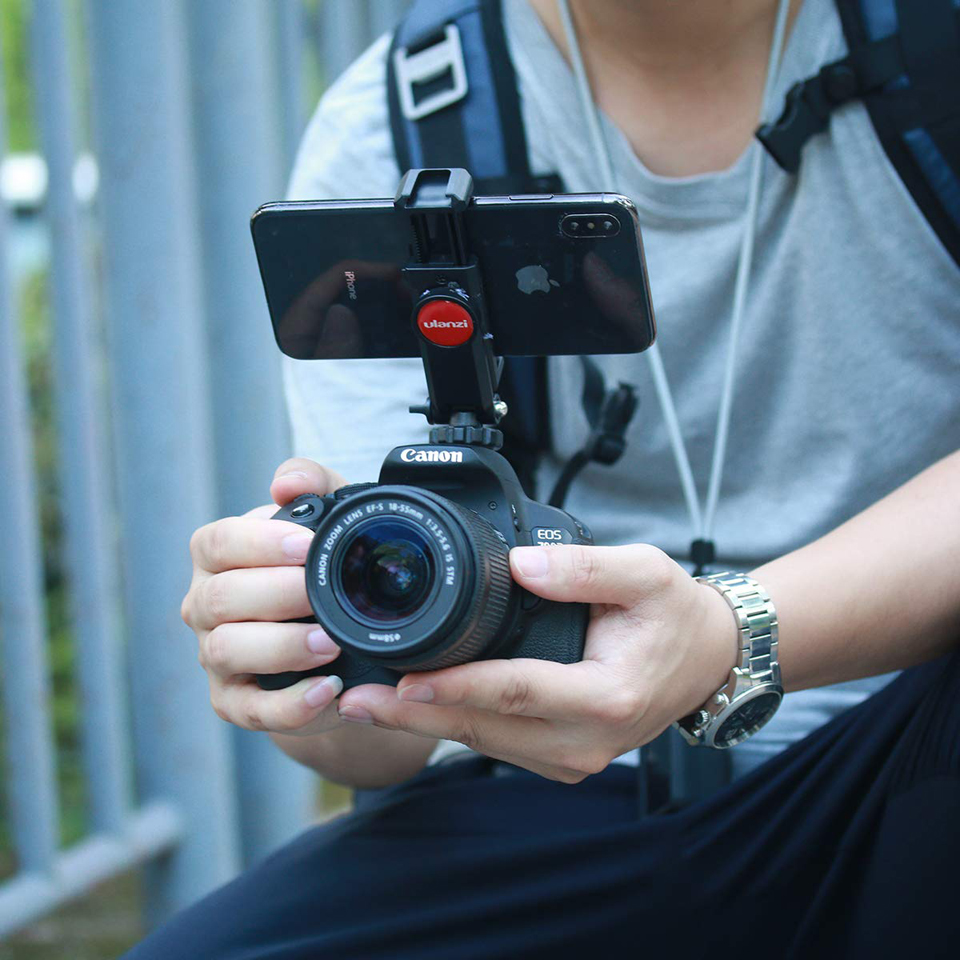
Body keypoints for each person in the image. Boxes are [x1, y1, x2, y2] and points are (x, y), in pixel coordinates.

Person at [132, 0, 960, 956]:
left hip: (910, 745)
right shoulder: (408, 120)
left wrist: (722, 636)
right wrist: (299, 659)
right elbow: (382, 733)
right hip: (554, 770)